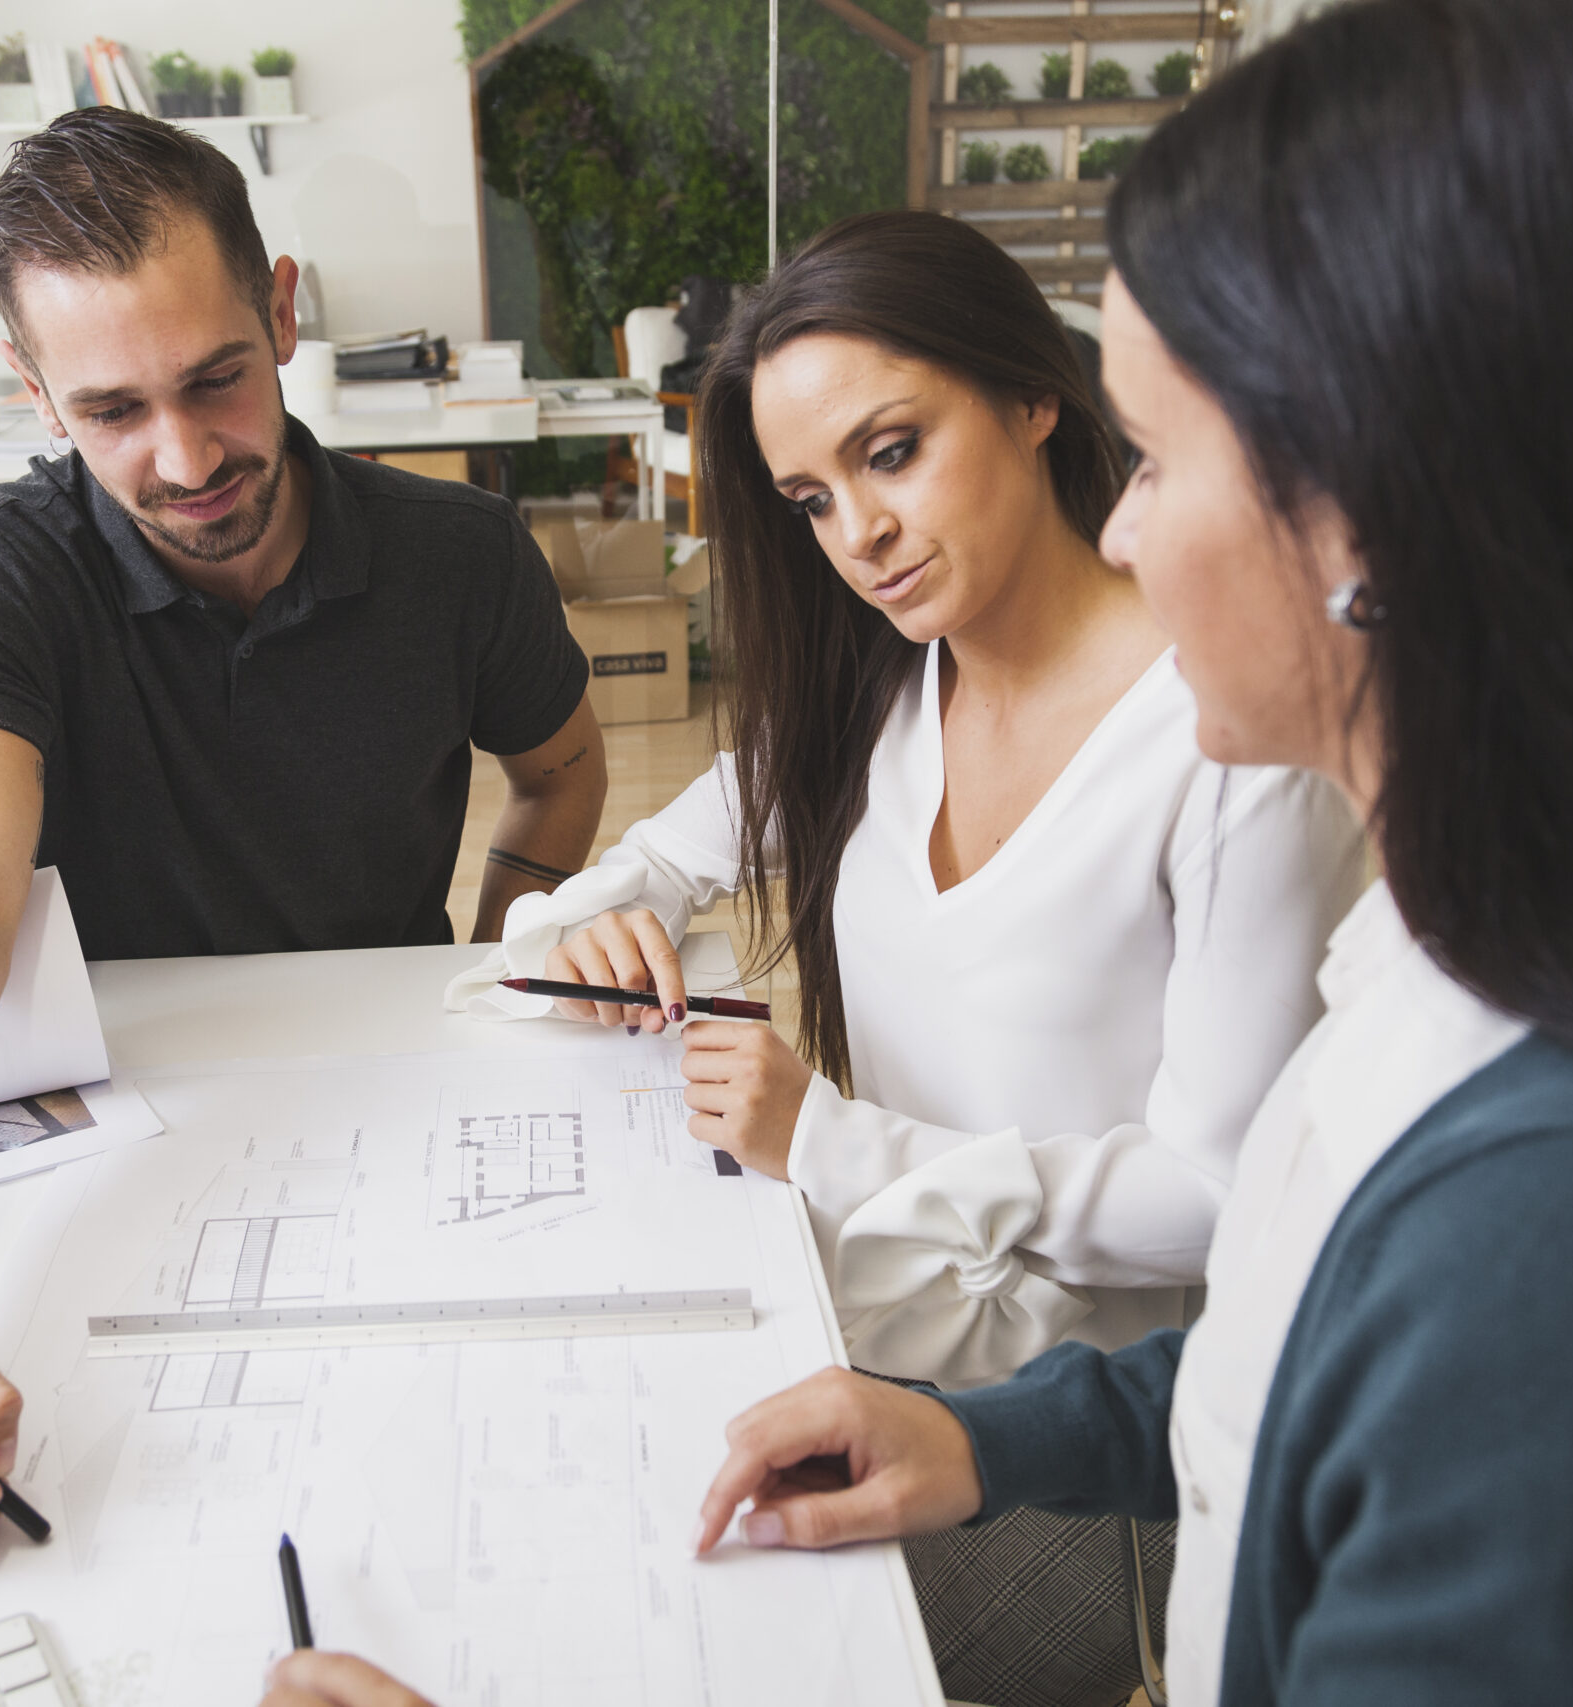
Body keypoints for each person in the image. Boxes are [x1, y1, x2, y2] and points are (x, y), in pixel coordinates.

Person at [679, 3, 1573, 1705]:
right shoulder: (1474, 938)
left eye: (1160, 460)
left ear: (1388, 513)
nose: (1119, 531)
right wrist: (988, 1443)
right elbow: (1306, 1345)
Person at [502, 209, 1358, 1706]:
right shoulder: (882, 695)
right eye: (811, 500)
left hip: (1086, 1444)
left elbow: (1227, 1206)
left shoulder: (1223, 743)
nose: (860, 538)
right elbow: (620, 880)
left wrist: (831, 1138)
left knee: (690, 1645)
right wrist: (614, 917)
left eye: (892, 453)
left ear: (1034, 398)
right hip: (861, 1321)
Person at [0, 109, 607, 1581]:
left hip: (399, 1116)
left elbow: (558, 776)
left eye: (217, 381)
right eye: (113, 410)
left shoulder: (459, 558)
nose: (185, 461)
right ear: (35, 393)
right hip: (112, 1130)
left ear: (283, 310)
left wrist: (513, 974)